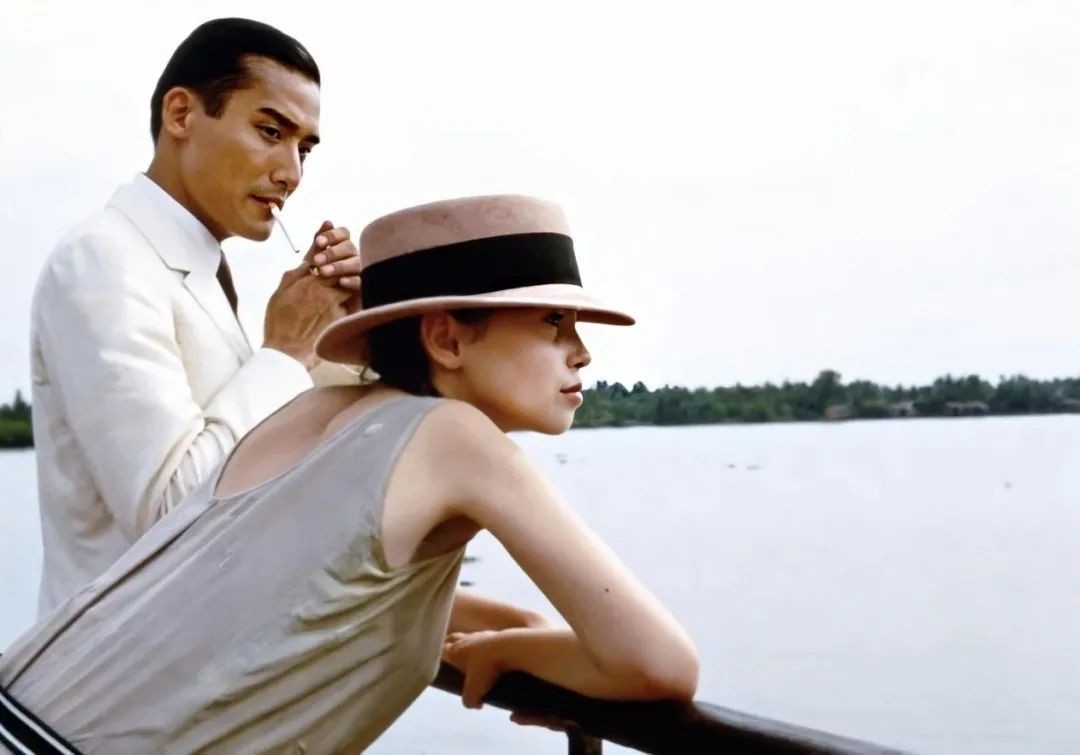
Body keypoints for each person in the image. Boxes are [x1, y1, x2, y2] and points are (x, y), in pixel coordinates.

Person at [0, 195, 699, 754]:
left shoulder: (312, 415)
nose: (581, 352)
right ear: (446, 338)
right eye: (552, 321)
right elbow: (660, 664)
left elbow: (309, 596)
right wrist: (518, 651)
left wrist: (515, 630)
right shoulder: (457, 438)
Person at [29, 18, 363, 615]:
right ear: (181, 114)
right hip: (117, 666)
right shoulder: (103, 260)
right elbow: (168, 513)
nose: (291, 173)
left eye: (304, 149)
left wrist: (344, 334)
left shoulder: (196, 270)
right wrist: (284, 352)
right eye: (270, 131)